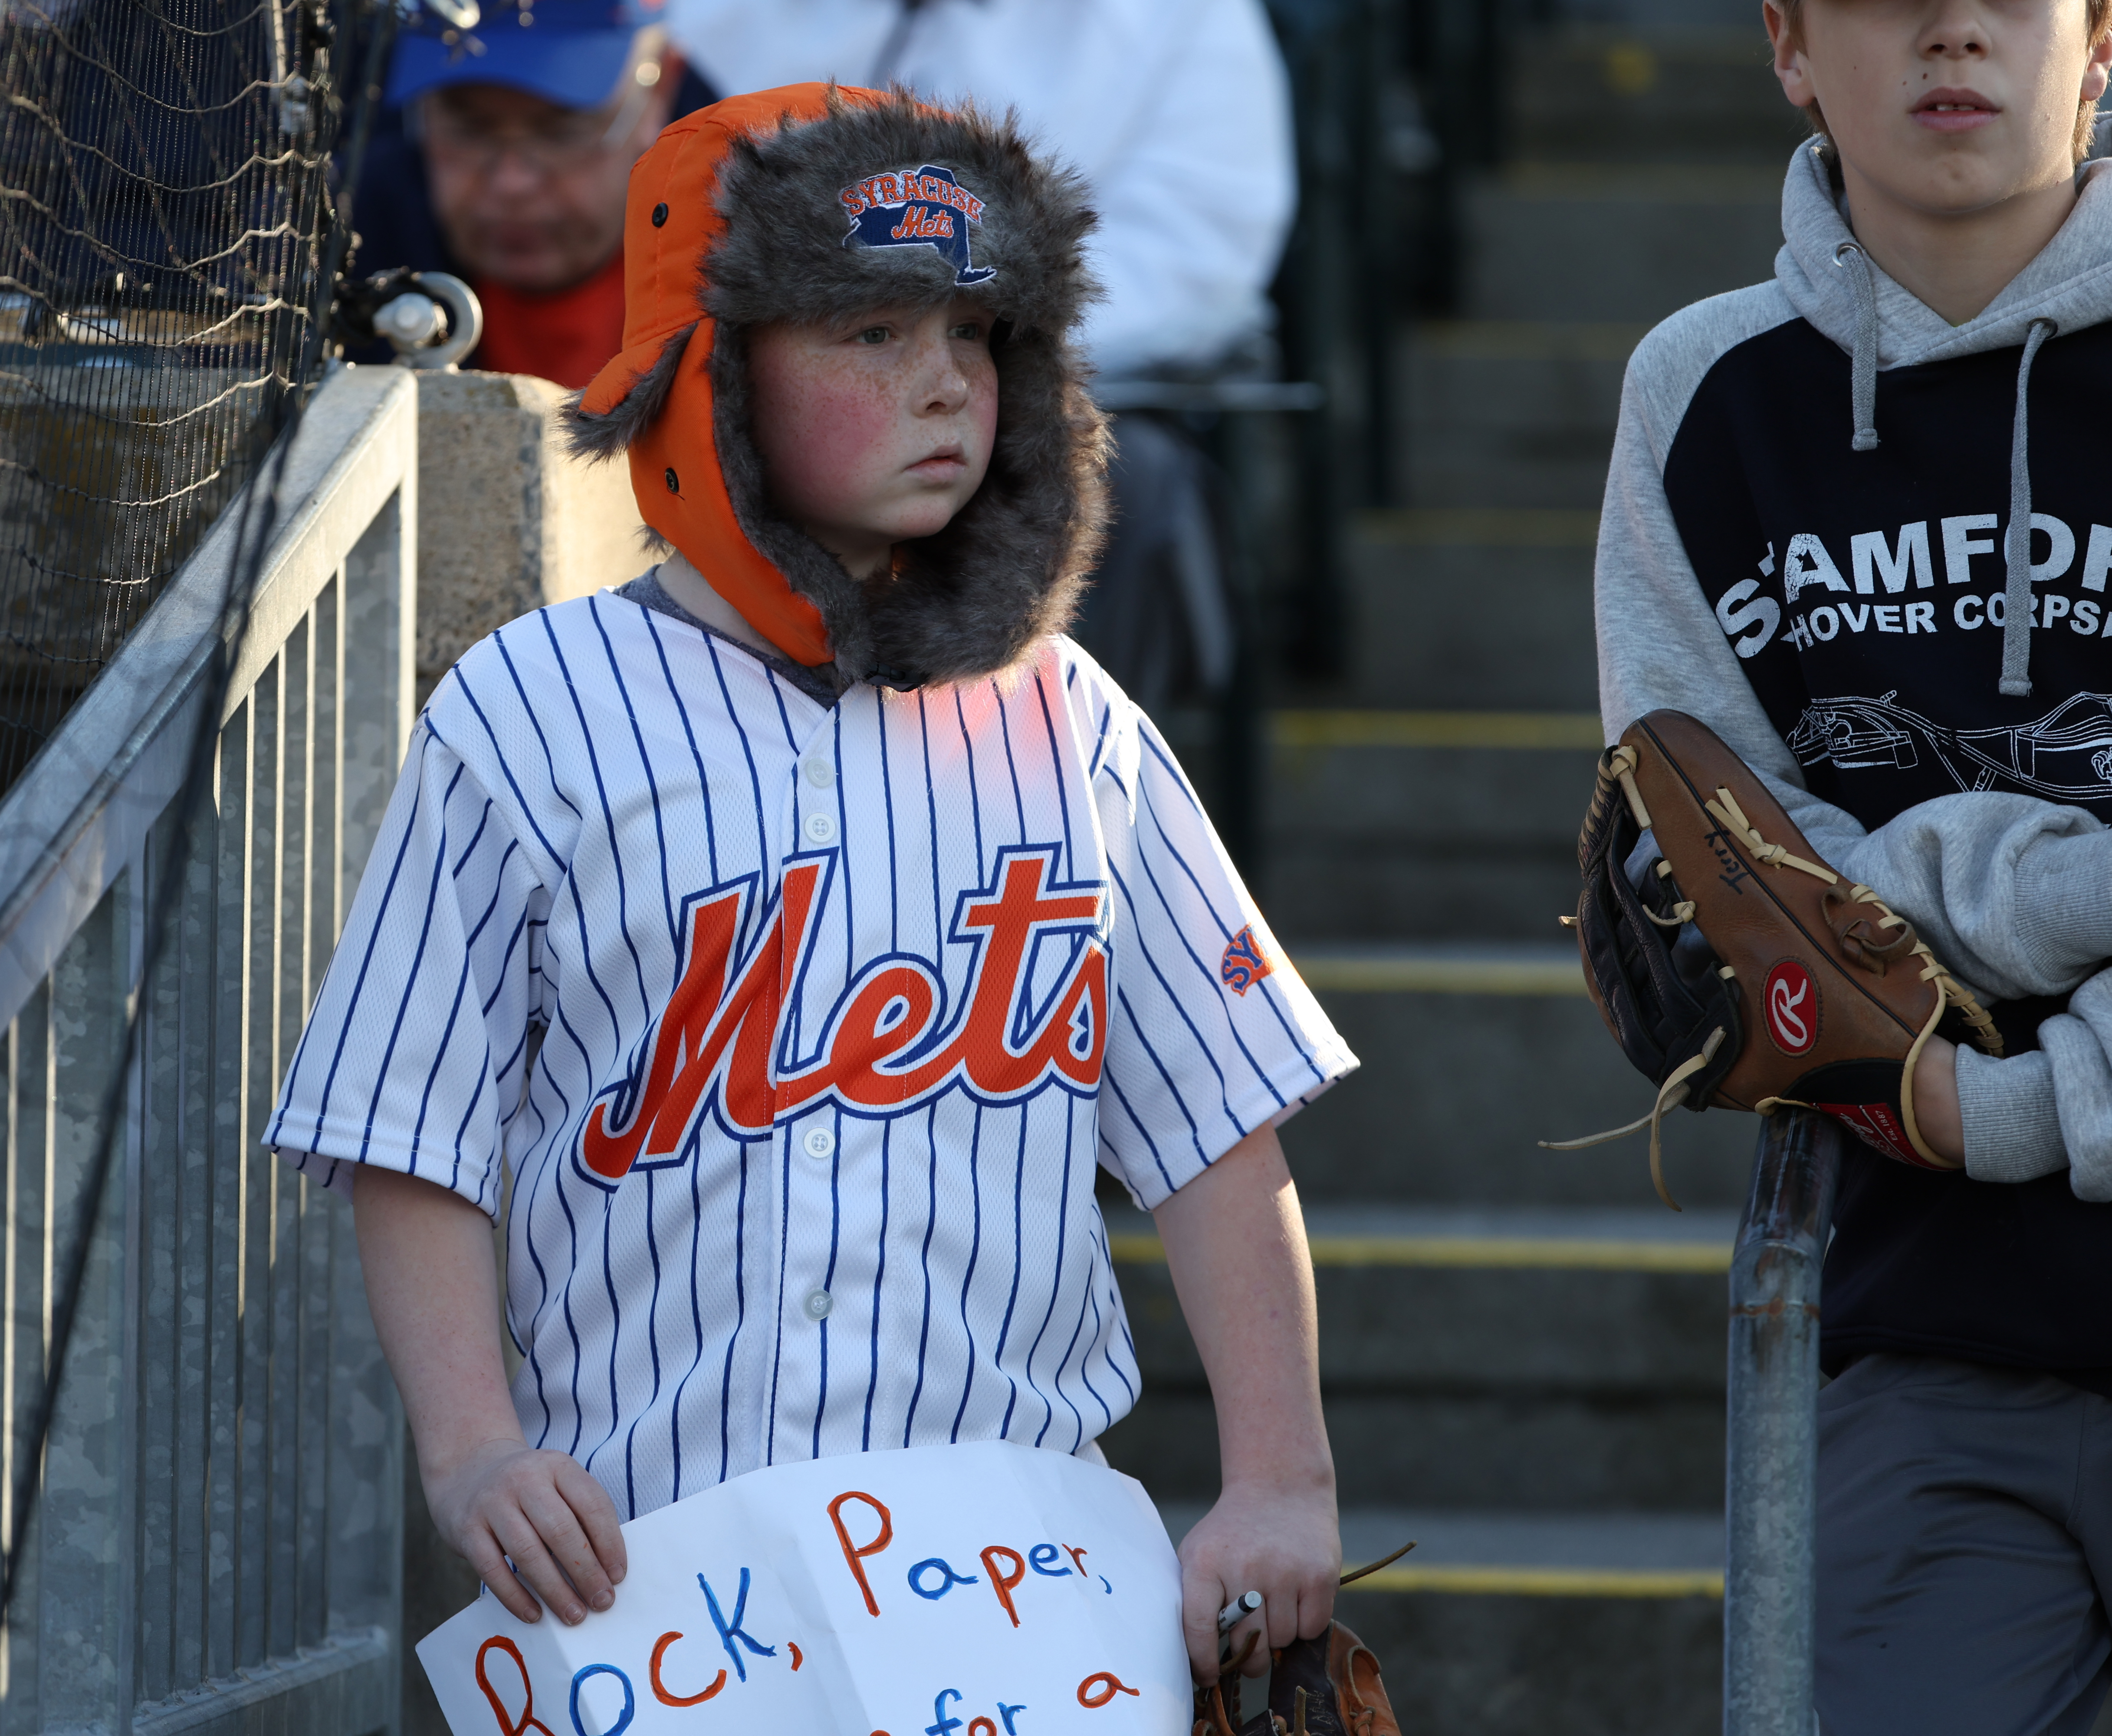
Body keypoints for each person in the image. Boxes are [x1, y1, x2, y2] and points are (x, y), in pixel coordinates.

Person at [268, 85, 1355, 1682]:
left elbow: (1216, 1133)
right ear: (709, 374)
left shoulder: (1074, 719)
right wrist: (473, 1448)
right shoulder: (524, 705)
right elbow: (406, 1129)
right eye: (865, 331)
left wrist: (1279, 1475)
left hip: (1021, 1580)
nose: (944, 388)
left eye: (976, 337)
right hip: (647, 1584)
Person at [1596, 0, 2112, 1728]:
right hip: (1916, 1313)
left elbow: (1823, 882)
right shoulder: (1699, 394)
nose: (1951, 26)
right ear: (1791, 47)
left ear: (2097, 38)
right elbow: (1717, 866)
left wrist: (2016, 1096)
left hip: (1961, 1137)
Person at [660, 0, 1299, 711]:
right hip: (768, 367)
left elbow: (1190, 269)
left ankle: (1022, 766)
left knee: (1112, 485)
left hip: (1061, 382)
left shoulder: (1181, 19)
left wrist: (972, 344)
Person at [348, 0, 715, 386]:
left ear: (660, 88)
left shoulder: (765, 266)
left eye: (562, 132)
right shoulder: (337, 242)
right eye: (468, 129)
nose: (513, 183)